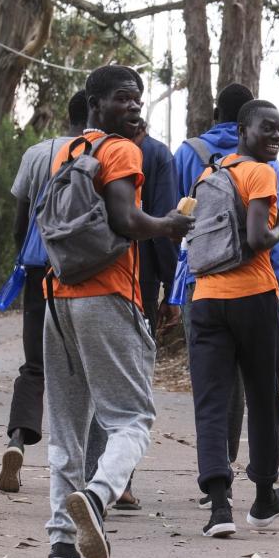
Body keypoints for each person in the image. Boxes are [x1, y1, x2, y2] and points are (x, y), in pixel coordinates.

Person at [41, 65, 194, 558]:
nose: (134, 107)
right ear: (96, 103)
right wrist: (170, 225)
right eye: (124, 99)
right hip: (108, 297)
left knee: (67, 427)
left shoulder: (65, 151)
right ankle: (100, 494)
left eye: (138, 99)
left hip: (58, 299)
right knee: (133, 419)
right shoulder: (121, 151)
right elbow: (127, 220)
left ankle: (61, 544)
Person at [173, 83, 279, 509]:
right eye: (268, 129)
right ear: (242, 129)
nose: (276, 136)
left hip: (205, 297)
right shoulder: (261, 172)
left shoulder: (208, 172)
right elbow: (258, 237)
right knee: (264, 399)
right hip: (253, 298)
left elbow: (186, 232)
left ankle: (218, 503)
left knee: (210, 402)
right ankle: (264, 498)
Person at [83, 114, 181, 511]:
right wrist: (171, 290)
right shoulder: (154, 154)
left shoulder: (76, 149)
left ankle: (88, 476)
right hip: (133, 280)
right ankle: (113, 483)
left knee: (93, 385)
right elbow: (161, 223)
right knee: (129, 391)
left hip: (78, 277)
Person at [0, 90, 87, 496]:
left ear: (68, 114)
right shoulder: (104, 153)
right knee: (83, 371)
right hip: (86, 274)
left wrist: (25, 257)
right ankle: (84, 471)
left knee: (36, 364)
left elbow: (20, 221)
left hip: (39, 271)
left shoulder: (36, 153)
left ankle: (17, 439)